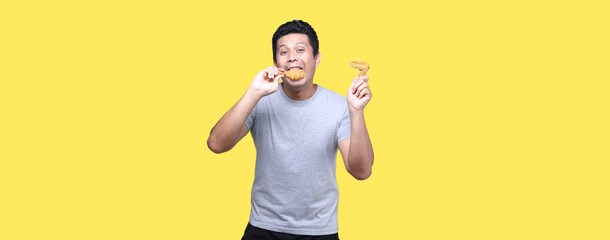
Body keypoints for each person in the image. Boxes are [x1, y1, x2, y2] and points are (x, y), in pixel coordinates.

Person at [207, 20, 374, 240]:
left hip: (319, 231)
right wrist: (253, 93)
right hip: (263, 228)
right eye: (283, 51)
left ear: (316, 58)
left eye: (300, 49)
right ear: (276, 62)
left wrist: (356, 111)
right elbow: (216, 144)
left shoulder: (340, 105)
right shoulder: (260, 100)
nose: (292, 57)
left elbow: (360, 171)